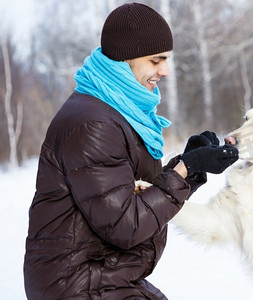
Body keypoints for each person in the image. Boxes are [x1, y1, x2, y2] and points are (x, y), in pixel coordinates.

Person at [23, 3, 238, 299]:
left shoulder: (118, 109)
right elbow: (125, 224)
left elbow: (133, 195)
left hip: (102, 274)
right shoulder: (93, 123)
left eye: (166, 60)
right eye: (155, 60)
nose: (164, 70)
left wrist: (190, 166)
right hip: (75, 283)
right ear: (126, 59)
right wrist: (183, 169)